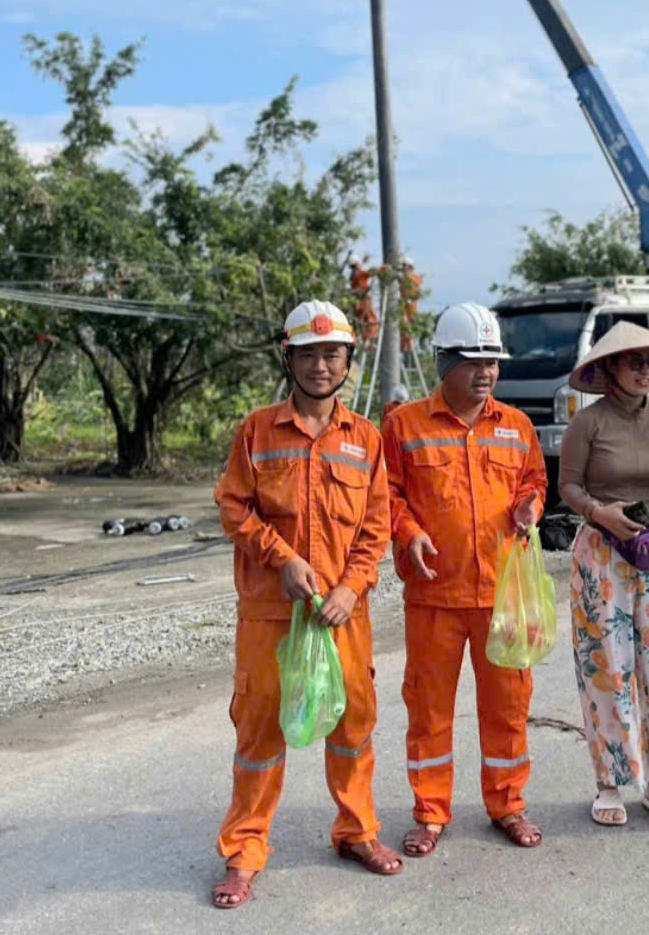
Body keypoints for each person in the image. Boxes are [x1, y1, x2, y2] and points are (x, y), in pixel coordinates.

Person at [211, 300, 402, 910]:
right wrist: (281, 558)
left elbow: (377, 526)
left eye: (333, 354)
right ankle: (244, 851)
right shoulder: (257, 431)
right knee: (260, 729)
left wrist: (350, 587)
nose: (322, 365)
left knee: (352, 725)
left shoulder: (365, 438)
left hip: (342, 614)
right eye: (309, 354)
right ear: (288, 358)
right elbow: (233, 507)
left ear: (348, 360)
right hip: (271, 612)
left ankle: (356, 831)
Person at [382, 301, 547, 856]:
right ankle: (430, 811)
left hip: (502, 595)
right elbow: (388, 495)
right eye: (473, 362)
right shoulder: (403, 426)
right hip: (434, 596)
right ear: (442, 362)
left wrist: (530, 505)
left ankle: (508, 804)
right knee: (428, 707)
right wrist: (406, 533)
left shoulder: (518, 426)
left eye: (492, 363)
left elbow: (534, 481)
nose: (485, 373)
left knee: (508, 706)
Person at [557, 321, 649, 827]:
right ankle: (610, 782)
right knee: (607, 667)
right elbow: (568, 487)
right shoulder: (588, 423)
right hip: (601, 553)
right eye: (633, 361)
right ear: (609, 368)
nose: (645, 371)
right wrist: (599, 514)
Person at [348, 254, 379, 348]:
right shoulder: (360, 274)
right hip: (364, 301)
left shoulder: (352, 275)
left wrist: (363, 261)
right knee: (370, 319)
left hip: (356, 303)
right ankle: (371, 339)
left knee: (362, 322)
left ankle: (366, 341)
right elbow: (371, 273)